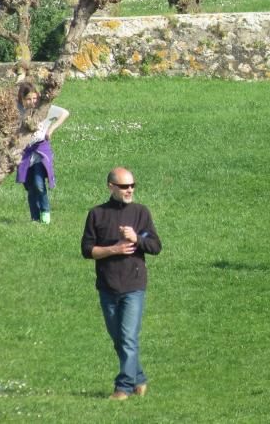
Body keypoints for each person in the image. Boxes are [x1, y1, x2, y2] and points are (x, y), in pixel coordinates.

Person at [82, 167, 162, 400]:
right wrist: (113, 249)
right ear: (111, 187)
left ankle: (123, 388)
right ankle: (139, 379)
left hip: (133, 286)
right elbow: (87, 251)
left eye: (132, 186)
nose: (130, 190)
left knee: (128, 337)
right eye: (125, 186)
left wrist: (137, 238)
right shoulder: (97, 214)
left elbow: (156, 246)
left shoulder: (140, 213)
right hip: (107, 287)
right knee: (119, 339)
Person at [16, 83, 69, 225]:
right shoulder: (18, 112)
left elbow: (64, 113)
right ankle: (35, 217)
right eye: (28, 99)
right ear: (21, 99)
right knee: (29, 186)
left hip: (40, 150)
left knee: (39, 183)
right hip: (24, 153)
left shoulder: (43, 110)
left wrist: (50, 129)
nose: (32, 102)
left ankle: (45, 211)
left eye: (34, 98)